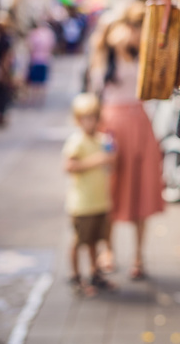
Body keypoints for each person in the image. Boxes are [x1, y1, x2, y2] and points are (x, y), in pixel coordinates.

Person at [89, 2, 164, 280]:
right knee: (111, 190)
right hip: (111, 128)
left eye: (132, 30)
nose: (127, 35)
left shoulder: (141, 55)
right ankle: (107, 250)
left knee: (141, 189)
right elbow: (93, 96)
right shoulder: (102, 59)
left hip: (139, 125)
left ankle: (138, 256)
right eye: (124, 29)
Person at [63, 93, 117, 295]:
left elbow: (111, 161)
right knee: (79, 241)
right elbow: (69, 166)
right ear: (78, 120)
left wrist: (109, 157)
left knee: (95, 240)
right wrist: (98, 160)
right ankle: (76, 276)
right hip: (82, 203)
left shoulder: (103, 140)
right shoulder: (76, 142)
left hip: (99, 201)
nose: (90, 122)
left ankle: (95, 273)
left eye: (93, 117)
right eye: (86, 118)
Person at [26, 20, 55, 105]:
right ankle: (40, 99)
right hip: (45, 59)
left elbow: (30, 46)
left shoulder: (34, 34)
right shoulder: (49, 33)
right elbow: (52, 46)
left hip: (35, 59)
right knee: (42, 81)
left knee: (34, 81)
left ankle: (34, 98)